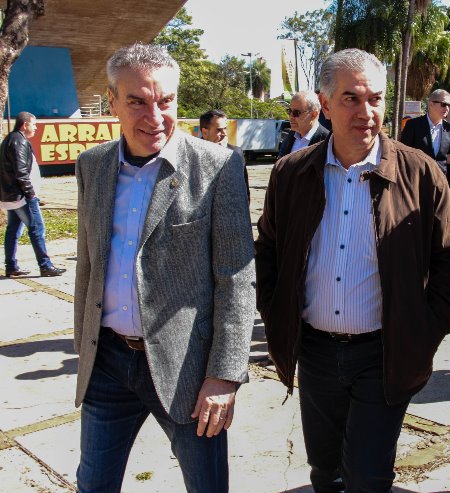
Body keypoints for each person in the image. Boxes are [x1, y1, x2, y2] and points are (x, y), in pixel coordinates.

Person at [255, 48, 450, 492]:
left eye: (374, 98)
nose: (366, 112)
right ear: (325, 103)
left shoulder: (421, 173)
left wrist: (424, 328)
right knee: (325, 472)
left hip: (383, 356)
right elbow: (270, 250)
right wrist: (276, 311)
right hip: (314, 353)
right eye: (351, 98)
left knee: (369, 478)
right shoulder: (291, 173)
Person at [73, 43, 255, 493]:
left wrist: (225, 374)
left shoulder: (218, 166)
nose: (154, 116)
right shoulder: (92, 165)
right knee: (93, 485)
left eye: (166, 101)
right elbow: (88, 263)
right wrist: (85, 345)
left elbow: (237, 277)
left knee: (206, 486)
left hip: (189, 371)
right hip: (108, 364)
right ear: (112, 101)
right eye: (137, 101)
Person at [1, 111, 66, 277]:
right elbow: (21, 172)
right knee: (37, 228)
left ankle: (11, 266)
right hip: (22, 197)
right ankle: (45, 266)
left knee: (13, 230)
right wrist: (30, 194)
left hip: (12, 196)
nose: (36, 128)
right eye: (34, 124)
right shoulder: (19, 142)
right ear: (25, 125)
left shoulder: (11, 139)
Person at [400, 88, 450, 198]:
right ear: (431, 104)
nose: (447, 108)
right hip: (416, 185)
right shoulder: (413, 125)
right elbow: (403, 155)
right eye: (443, 104)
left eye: (448, 105)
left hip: (440, 186)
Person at [200, 108, 251, 201]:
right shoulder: (193, 154)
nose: (224, 133)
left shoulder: (236, 153)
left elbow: (244, 189)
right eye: (219, 130)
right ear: (205, 132)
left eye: (225, 128)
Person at [277, 90, 330, 158]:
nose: (291, 116)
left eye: (296, 113)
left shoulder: (327, 141)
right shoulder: (290, 137)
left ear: (314, 114)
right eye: (289, 111)